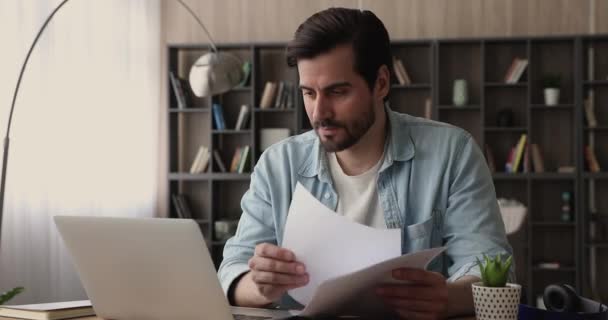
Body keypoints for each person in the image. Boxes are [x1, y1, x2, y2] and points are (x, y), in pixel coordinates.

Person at [218, 7, 512, 319]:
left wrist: (449, 298)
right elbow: (232, 272)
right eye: (309, 93)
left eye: (338, 91)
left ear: (381, 83)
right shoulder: (278, 165)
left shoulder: (452, 153)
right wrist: (258, 285)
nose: (319, 112)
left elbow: (488, 264)